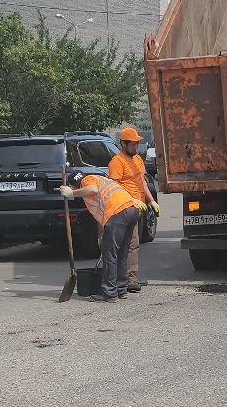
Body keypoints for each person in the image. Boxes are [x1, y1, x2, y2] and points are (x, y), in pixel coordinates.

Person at [58, 171, 142, 301]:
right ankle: (121, 289)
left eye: (73, 188)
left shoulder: (88, 180)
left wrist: (72, 193)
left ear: (75, 186)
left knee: (110, 253)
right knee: (122, 252)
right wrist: (101, 235)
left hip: (118, 212)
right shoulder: (100, 179)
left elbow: (92, 189)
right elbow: (101, 211)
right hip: (131, 209)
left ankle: (109, 292)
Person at [109, 126, 157, 292]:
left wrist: (151, 201)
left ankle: (131, 277)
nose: (136, 147)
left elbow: (142, 182)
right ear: (123, 144)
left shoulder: (137, 159)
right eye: (133, 144)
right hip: (125, 208)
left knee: (134, 244)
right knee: (129, 244)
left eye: (137, 144)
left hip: (138, 207)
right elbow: (114, 187)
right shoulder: (117, 162)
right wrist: (131, 199)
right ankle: (128, 279)